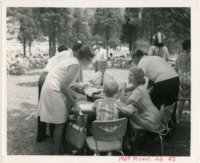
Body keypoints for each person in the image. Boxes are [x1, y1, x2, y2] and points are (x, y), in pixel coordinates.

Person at [37, 45, 94, 155]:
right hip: (53, 89)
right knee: (60, 123)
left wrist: (76, 94)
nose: (90, 63)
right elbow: (63, 86)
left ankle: (58, 150)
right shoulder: (76, 64)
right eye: (90, 61)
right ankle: (57, 153)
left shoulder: (73, 61)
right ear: (86, 58)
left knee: (61, 122)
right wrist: (75, 104)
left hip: (51, 86)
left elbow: (64, 85)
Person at [131, 50, 179, 125]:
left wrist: (129, 90)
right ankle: (171, 125)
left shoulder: (142, 61)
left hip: (163, 80)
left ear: (136, 57)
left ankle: (152, 128)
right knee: (171, 105)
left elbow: (138, 80)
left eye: (133, 60)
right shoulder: (155, 58)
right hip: (175, 78)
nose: (134, 63)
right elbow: (158, 71)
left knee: (153, 106)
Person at [36, 45, 71, 142]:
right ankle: (53, 135)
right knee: (53, 105)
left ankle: (41, 133)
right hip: (49, 78)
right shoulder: (66, 57)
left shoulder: (54, 57)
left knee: (43, 105)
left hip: (43, 76)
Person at [175, 39, 191, 123]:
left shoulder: (179, 57)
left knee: (181, 99)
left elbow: (176, 69)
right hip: (191, 79)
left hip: (181, 80)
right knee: (191, 99)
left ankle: (179, 119)